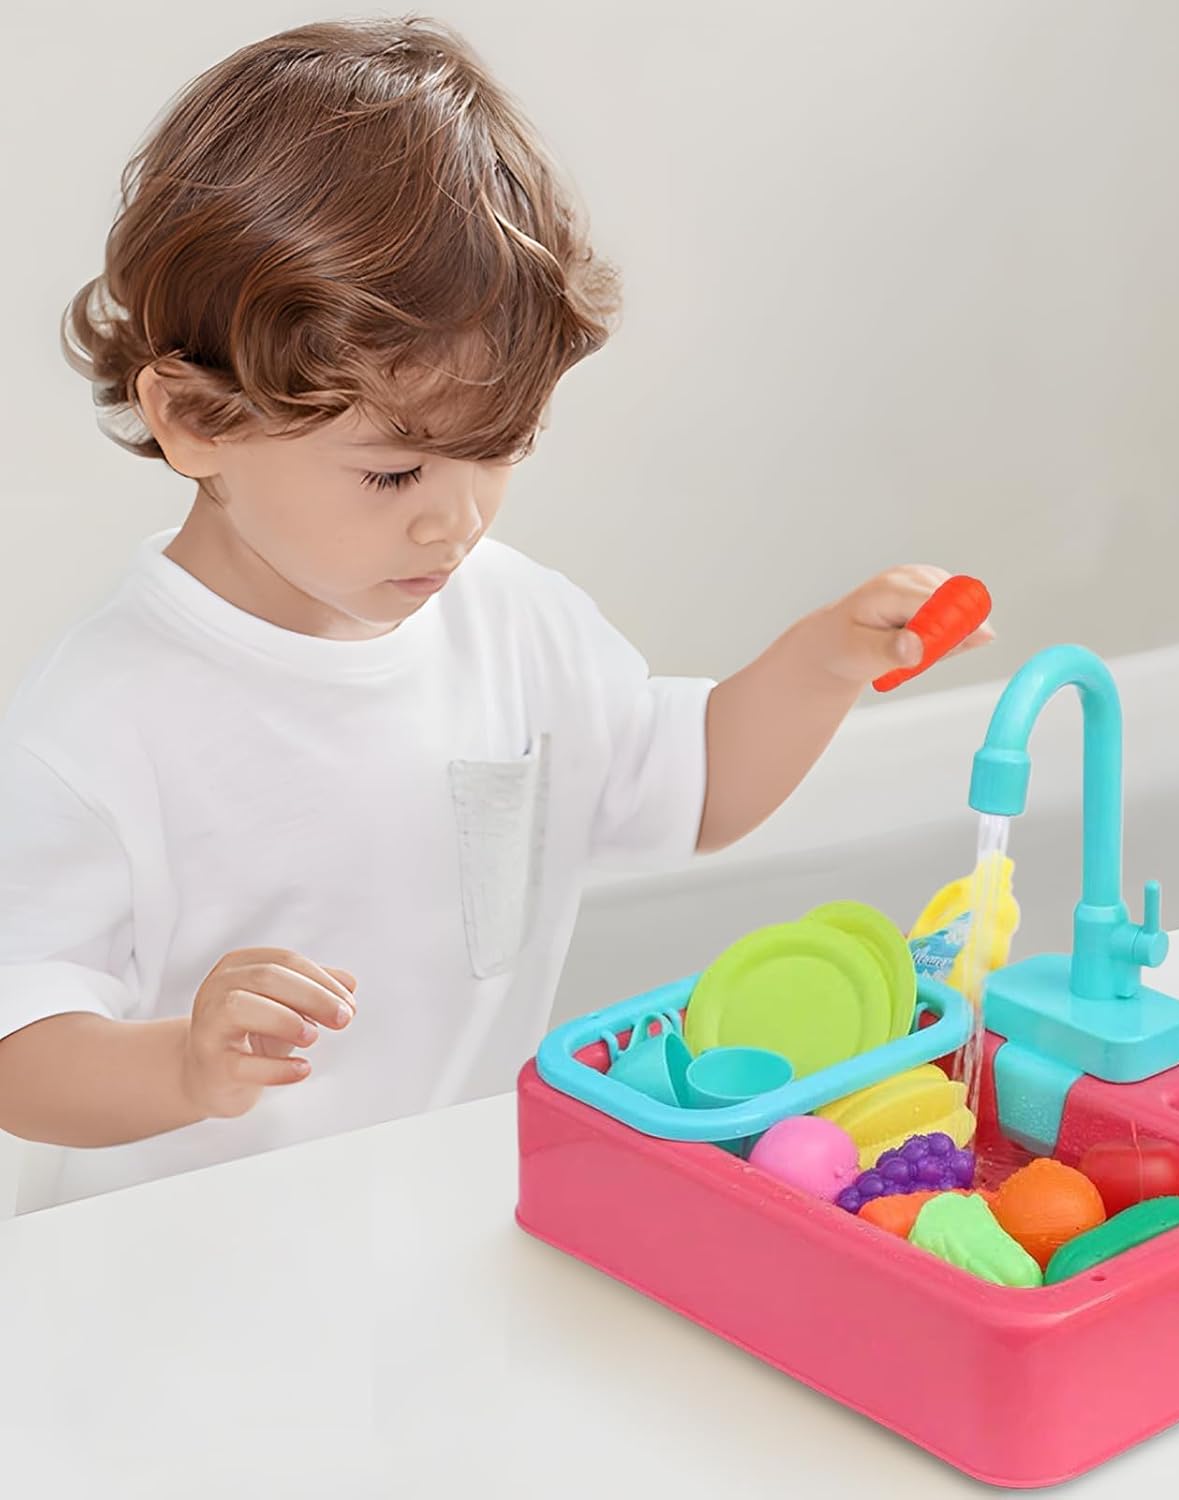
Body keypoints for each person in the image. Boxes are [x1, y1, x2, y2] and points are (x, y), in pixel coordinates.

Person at [0, 16, 991, 1206]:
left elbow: (697, 787)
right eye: (394, 475)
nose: (455, 523)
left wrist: (825, 662)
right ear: (195, 419)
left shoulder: (513, 621)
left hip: (442, 1209)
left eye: (499, 450)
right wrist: (182, 1065)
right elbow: (19, 1047)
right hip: (180, 1256)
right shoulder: (98, 727)